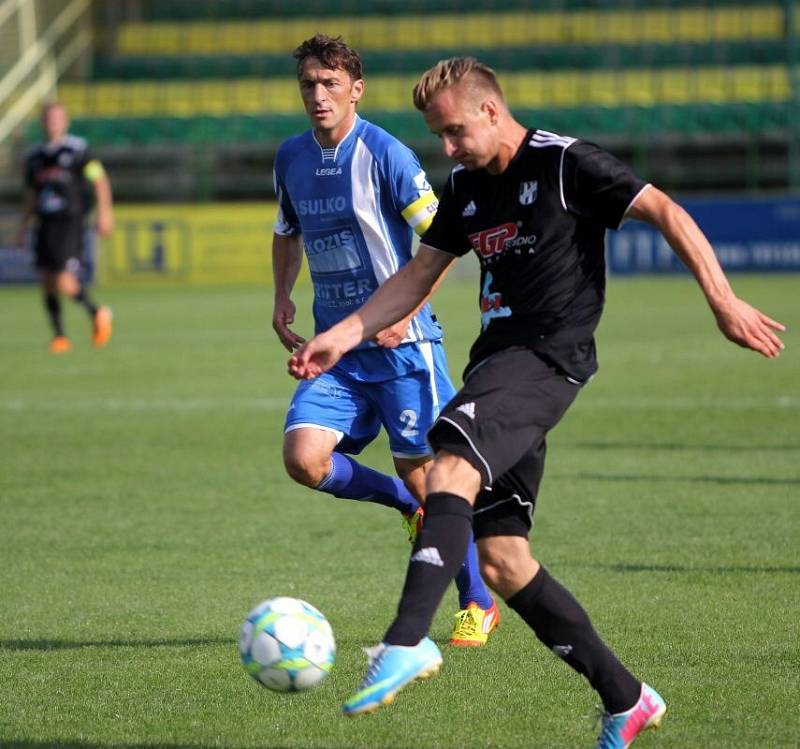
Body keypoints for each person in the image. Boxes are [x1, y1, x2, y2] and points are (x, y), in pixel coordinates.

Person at [288, 57, 785, 746]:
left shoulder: (563, 163)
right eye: (440, 136)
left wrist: (723, 301)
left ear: (492, 110)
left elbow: (662, 208)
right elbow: (416, 277)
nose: (448, 149)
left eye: (457, 131)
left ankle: (407, 641)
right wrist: (339, 337)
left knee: (449, 464)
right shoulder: (466, 187)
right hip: (497, 360)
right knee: (502, 558)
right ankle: (626, 697)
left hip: (548, 355)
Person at [271, 37, 499, 646]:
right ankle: (404, 502)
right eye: (308, 86)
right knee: (304, 459)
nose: (318, 96)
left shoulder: (387, 155)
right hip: (337, 348)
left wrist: (412, 309)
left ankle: (477, 601)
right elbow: (287, 230)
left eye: (329, 83)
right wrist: (281, 295)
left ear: (355, 88)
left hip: (404, 347)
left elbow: (443, 239)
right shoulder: (290, 157)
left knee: (435, 480)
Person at [17, 101, 113, 354]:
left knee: (62, 279)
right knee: (47, 280)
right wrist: (22, 226)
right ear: (43, 123)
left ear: (66, 122)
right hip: (45, 222)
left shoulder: (78, 150)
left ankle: (97, 311)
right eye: (49, 119)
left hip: (69, 220)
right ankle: (60, 336)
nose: (53, 123)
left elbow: (99, 180)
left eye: (58, 119)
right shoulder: (34, 157)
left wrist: (105, 213)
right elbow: (31, 196)